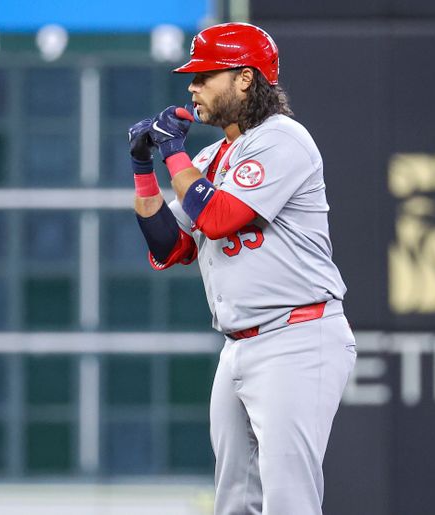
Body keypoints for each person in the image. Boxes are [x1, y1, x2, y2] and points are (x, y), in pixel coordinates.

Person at [128, 22, 356, 515]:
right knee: (234, 502)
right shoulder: (212, 158)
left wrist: (173, 154)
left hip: (297, 335)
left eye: (205, 75)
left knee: (289, 499)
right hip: (239, 346)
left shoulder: (283, 140)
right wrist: (145, 171)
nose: (192, 86)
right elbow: (169, 246)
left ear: (245, 79)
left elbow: (220, 218)